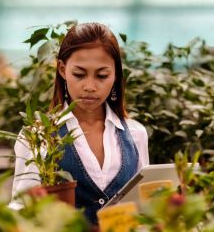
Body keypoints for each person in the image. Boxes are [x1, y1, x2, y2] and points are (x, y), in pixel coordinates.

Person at [9, 22, 149, 224]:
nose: (90, 86)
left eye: (102, 75)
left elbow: (143, 206)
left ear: (116, 74)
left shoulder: (136, 134)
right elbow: (22, 209)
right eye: (79, 74)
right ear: (62, 70)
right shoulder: (38, 135)